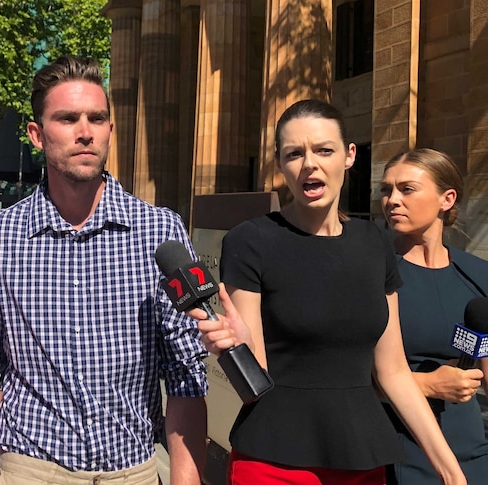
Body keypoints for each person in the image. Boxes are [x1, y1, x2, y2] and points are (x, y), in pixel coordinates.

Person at [192, 100, 466, 484]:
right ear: (280, 163)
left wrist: (450, 469)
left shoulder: (375, 243)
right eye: (294, 154)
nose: (309, 164)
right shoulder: (251, 241)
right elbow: (253, 383)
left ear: (349, 156)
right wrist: (234, 347)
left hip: (362, 458)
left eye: (324, 150)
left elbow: (393, 372)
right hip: (273, 461)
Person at [0, 56, 209, 485]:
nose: (85, 132)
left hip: (132, 469)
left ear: (111, 131)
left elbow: (186, 369)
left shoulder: (160, 231)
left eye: (97, 118)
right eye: (67, 118)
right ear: (36, 135)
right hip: (29, 468)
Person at [380, 148, 488, 484]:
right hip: (395, 451)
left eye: (407, 189)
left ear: (447, 199)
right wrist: (426, 384)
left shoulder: (477, 274)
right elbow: (343, 373)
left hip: (472, 449)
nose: (392, 200)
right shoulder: (372, 271)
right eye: (386, 190)